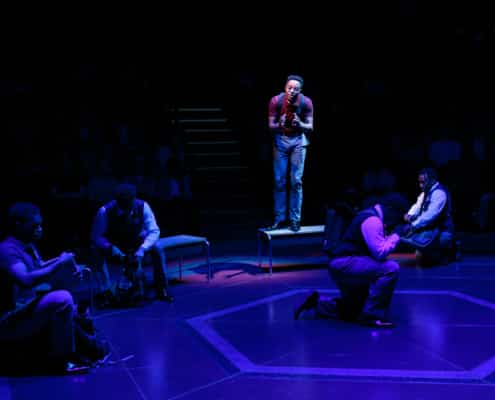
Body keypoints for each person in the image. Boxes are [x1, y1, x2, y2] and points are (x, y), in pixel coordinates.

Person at [0, 202, 89, 374]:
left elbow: (40, 267)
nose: (40, 229)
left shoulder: (28, 245)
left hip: (23, 310)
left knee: (73, 293)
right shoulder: (6, 250)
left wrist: (65, 260)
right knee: (62, 298)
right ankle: (60, 361)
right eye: (34, 226)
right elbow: (25, 279)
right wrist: (59, 264)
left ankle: (79, 347)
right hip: (7, 320)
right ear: (18, 225)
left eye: (40, 225)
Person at [294, 201, 405, 327]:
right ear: (390, 209)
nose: (395, 220)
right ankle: (373, 315)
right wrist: (397, 235)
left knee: (353, 311)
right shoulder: (373, 220)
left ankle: (316, 302)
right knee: (390, 268)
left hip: (341, 263)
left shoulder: (368, 215)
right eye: (397, 216)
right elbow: (380, 252)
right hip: (346, 263)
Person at [91, 183, 173, 305]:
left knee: (158, 247)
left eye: (130, 205)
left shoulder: (143, 206)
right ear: (117, 202)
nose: (128, 209)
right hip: (115, 245)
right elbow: (97, 236)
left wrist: (142, 249)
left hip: (137, 242)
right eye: (125, 207)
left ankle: (162, 289)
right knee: (95, 250)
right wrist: (110, 247)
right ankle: (106, 292)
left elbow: (154, 231)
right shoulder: (104, 212)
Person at [266, 74, 314, 232]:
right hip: (281, 140)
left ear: (300, 90)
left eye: (296, 89)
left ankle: (295, 220)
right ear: (285, 88)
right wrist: (278, 124)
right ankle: (280, 219)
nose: (292, 91)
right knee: (279, 181)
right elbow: (270, 126)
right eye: (289, 88)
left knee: (296, 181)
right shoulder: (276, 101)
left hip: (298, 142)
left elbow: (310, 127)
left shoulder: (306, 102)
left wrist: (300, 123)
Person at [401, 167, 457, 266]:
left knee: (430, 257)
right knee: (420, 255)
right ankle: (432, 252)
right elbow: (418, 205)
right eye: (419, 182)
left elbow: (430, 215)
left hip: (443, 230)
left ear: (432, 180)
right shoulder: (426, 191)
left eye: (423, 182)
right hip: (431, 229)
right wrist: (410, 214)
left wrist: (413, 225)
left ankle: (450, 249)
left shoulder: (439, 193)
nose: (420, 185)